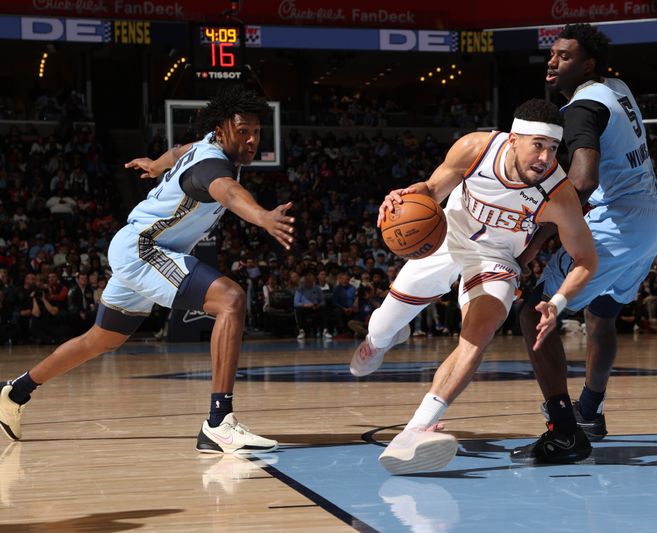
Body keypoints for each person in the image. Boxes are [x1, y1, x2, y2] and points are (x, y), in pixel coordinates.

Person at [0, 86, 294, 454]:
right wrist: (262, 216)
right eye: (243, 131)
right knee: (231, 299)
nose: (251, 140)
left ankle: (16, 392)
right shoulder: (213, 166)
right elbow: (230, 193)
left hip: (135, 246)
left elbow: (181, 149)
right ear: (222, 131)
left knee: (101, 339)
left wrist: (157, 164)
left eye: (256, 132)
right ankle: (219, 422)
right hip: (147, 249)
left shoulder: (205, 146)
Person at [350, 98, 597, 474]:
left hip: (496, 259)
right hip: (448, 235)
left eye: (552, 148)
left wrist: (559, 301)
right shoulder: (475, 148)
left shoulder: (558, 195)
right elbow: (431, 190)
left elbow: (586, 260)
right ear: (513, 139)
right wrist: (401, 197)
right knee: (382, 325)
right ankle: (380, 340)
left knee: (479, 333)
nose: (545, 157)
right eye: (538, 145)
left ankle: (417, 428)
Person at [510, 24, 657, 464]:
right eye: (552, 54)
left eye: (564, 56)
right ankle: (590, 413)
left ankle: (563, 431)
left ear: (587, 64)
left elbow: (582, 182)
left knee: (531, 309)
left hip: (617, 223)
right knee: (602, 315)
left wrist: (536, 241)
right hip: (652, 219)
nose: (552, 61)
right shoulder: (616, 87)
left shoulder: (581, 108)